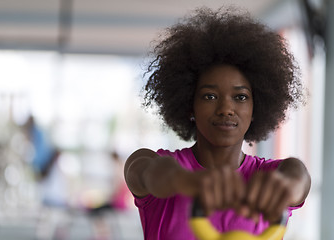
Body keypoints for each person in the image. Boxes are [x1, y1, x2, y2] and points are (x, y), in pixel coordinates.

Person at [124, 6, 311, 240]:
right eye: (209, 96)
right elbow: (142, 170)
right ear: (190, 105)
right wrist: (188, 181)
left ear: (256, 108)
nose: (225, 109)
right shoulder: (165, 168)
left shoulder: (269, 176)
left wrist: (284, 184)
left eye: (240, 97)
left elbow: (298, 176)